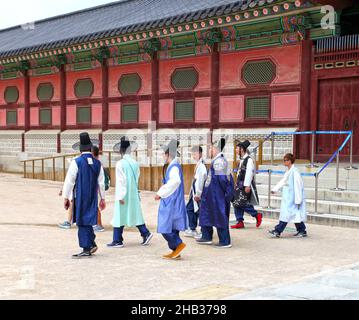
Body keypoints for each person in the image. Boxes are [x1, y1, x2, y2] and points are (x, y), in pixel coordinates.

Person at [62, 132, 106, 259]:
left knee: (82, 221)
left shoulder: (76, 162)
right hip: (93, 196)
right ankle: (91, 243)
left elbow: (69, 181)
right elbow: (101, 183)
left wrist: (66, 197)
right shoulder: (98, 164)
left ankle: (86, 247)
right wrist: (102, 198)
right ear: (91, 148)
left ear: (80, 148)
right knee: (88, 220)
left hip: (80, 195)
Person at [107, 137, 153, 248]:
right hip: (133, 192)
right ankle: (145, 233)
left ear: (121, 150)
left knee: (119, 215)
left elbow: (121, 181)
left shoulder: (120, 163)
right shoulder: (135, 163)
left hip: (123, 194)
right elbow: (136, 178)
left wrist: (120, 196)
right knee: (135, 213)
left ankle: (117, 240)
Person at [197, 138, 234, 248]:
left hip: (217, 195)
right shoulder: (217, 160)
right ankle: (206, 236)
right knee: (207, 214)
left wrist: (224, 196)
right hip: (212, 194)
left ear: (216, 149)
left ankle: (225, 240)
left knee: (219, 216)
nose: (209, 150)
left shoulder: (219, 162)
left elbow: (223, 180)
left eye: (211, 148)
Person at [155, 139, 187, 260]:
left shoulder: (173, 166)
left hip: (171, 200)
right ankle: (176, 251)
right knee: (173, 226)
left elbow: (175, 181)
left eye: (164, 153)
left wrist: (160, 193)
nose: (163, 156)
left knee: (165, 226)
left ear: (168, 154)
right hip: (174, 199)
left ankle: (178, 244)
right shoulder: (173, 165)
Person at [269, 153, 307, 238]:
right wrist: (275, 189)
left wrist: (298, 200)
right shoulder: (288, 171)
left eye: (286, 160)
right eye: (284, 160)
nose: (284, 162)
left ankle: (278, 230)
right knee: (294, 215)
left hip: (293, 197)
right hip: (288, 197)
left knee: (287, 214)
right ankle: (302, 230)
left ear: (290, 161)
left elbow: (298, 186)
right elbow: (283, 181)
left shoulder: (295, 172)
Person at [231, 140, 262, 229]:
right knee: (236, 202)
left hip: (244, 185)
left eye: (237, 148)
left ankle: (256, 215)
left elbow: (249, 173)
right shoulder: (242, 160)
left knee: (242, 203)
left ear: (242, 149)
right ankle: (239, 221)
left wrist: (247, 185)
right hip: (239, 184)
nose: (236, 150)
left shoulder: (249, 160)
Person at [184, 145, 207, 238]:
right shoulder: (198, 164)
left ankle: (203, 231)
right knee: (190, 208)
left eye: (195, 153)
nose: (194, 155)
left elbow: (200, 181)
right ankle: (192, 228)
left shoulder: (201, 166)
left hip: (198, 194)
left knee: (200, 211)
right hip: (194, 193)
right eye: (192, 153)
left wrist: (198, 194)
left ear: (200, 153)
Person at [91, 146, 109, 233]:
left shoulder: (97, 164)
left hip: (96, 189)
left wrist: (103, 197)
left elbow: (100, 182)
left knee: (95, 207)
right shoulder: (97, 163)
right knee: (94, 207)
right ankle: (96, 224)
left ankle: (99, 224)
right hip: (96, 188)